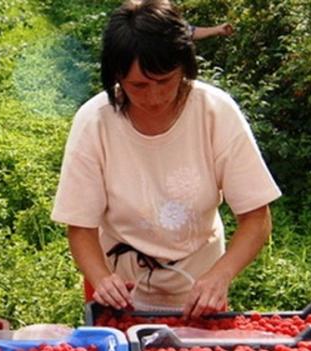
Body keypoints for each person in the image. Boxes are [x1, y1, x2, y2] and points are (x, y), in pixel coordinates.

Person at [51, 0, 281, 319]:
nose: (155, 97)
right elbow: (80, 228)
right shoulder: (95, 122)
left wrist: (220, 276)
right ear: (116, 75)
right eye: (139, 86)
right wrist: (102, 280)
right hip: (120, 292)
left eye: (165, 81)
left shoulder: (215, 113)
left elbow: (256, 217)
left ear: (184, 67)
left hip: (199, 291)